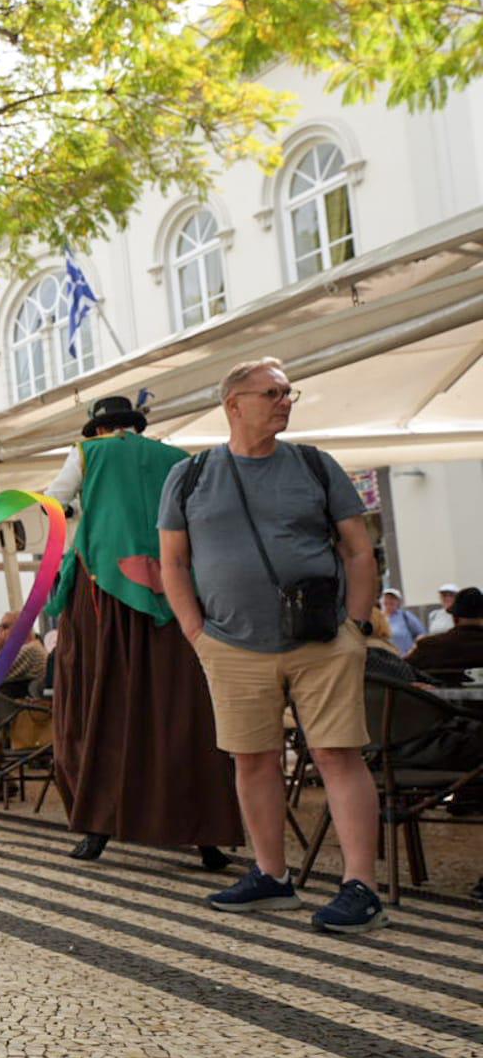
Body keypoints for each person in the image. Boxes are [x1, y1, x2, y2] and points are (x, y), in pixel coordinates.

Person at [160, 357, 384, 933]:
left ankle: (362, 886)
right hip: (230, 644)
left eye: (289, 393)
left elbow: (359, 549)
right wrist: (194, 632)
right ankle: (271, 876)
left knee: (338, 754)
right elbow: (174, 562)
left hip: (322, 639)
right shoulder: (189, 476)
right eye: (273, 393)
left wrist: (356, 628)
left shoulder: (313, 465)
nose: (285, 401)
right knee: (252, 758)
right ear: (234, 405)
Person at [45, 394, 241, 868]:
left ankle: (97, 827)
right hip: (176, 598)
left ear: (97, 428)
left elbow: (54, 502)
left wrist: (79, 519)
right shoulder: (177, 458)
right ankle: (206, 837)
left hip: (104, 598)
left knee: (102, 707)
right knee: (182, 712)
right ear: (136, 425)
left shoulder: (88, 453)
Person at [408, 585, 483, 676]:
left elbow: (401, 670)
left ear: (454, 618)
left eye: (450, 595)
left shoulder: (428, 646)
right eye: (444, 595)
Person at [378, 590, 425, 658]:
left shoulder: (405, 616)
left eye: (393, 598)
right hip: (384, 661)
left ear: (398, 602)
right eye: (386, 598)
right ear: (381, 601)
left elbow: (421, 634)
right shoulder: (376, 618)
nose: (389, 601)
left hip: (406, 659)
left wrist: (413, 650)